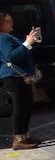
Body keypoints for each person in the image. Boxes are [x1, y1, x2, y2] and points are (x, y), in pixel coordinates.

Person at [0, 11, 40, 149]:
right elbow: (11, 56)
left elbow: (22, 52)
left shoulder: (9, 36)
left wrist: (31, 42)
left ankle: (25, 135)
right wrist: (27, 43)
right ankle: (18, 138)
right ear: (1, 24)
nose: (12, 23)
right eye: (8, 21)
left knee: (27, 105)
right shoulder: (2, 38)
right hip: (13, 76)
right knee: (19, 106)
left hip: (21, 76)